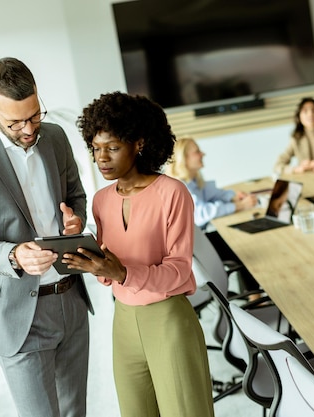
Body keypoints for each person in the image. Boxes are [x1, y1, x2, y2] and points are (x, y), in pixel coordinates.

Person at [0, 57, 92, 417]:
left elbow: (77, 198)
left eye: (35, 115)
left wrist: (75, 221)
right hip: (17, 312)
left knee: (76, 413)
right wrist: (14, 256)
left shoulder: (54, 136)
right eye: (16, 122)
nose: (29, 128)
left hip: (69, 299)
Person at [67, 92, 215, 417]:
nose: (102, 157)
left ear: (139, 143)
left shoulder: (172, 193)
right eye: (96, 148)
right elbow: (110, 270)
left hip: (168, 320)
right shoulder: (101, 200)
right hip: (123, 320)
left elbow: (178, 269)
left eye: (112, 147)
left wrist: (123, 273)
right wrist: (88, 255)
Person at [164, 136, 260, 293]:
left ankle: (251, 294)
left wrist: (232, 196)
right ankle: (254, 297)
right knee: (240, 246)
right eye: (197, 152)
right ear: (184, 159)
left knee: (238, 239)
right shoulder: (180, 185)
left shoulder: (191, 180)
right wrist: (239, 206)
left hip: (198, 240)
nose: (203, 154)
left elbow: (212, 193)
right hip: (192, 247)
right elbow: (201, 213)